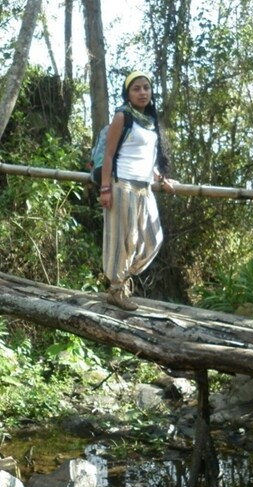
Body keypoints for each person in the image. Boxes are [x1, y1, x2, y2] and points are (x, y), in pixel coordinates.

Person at [99, 71, 174, 311]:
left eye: (146, 88)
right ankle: (117, 289)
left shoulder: (150, 120)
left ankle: (119, 278)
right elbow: (109, 154)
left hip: (144, 188)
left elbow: (147, 158)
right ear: (128, 93)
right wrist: (105, 188)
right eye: (136, 89)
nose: (143, 92)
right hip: (123, 185)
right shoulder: (122, 116)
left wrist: (161, 178)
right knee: (124, 239)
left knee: (153, 239)